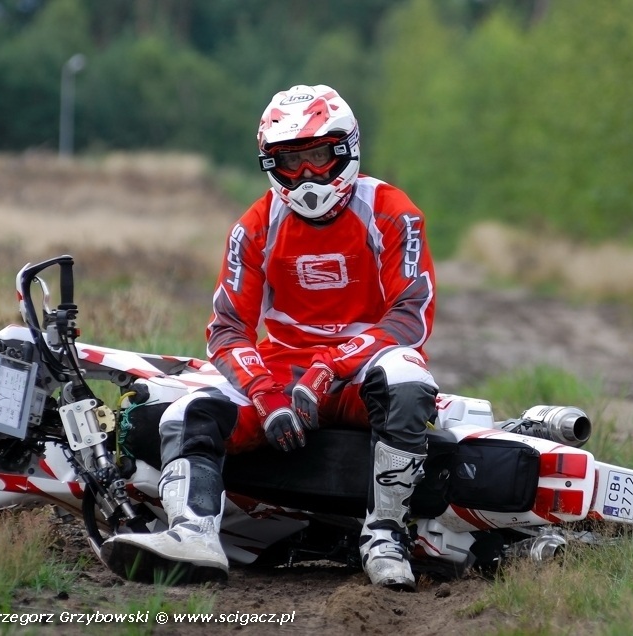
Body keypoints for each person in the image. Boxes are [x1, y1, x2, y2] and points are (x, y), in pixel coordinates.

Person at [101, 84, 438, 590]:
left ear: (346, 149)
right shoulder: (254, 226)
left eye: (318, 156)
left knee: (409, 381)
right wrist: (264, 393)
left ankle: (385, 536)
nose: (306, 176)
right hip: (283, 370)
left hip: (362, 368)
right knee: (185, 413)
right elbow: (227, 328)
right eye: (290, 162)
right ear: (270, 165)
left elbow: (410, 317)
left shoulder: (393, 210)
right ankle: (192, 535)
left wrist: (330, 366)